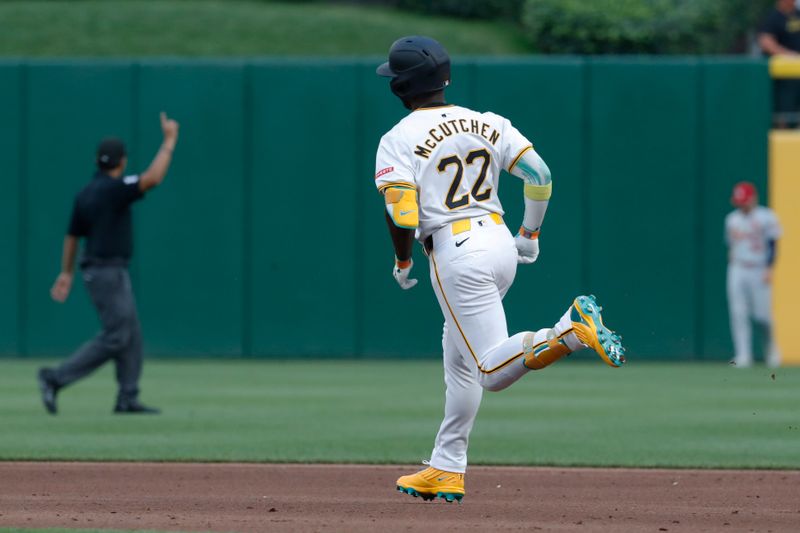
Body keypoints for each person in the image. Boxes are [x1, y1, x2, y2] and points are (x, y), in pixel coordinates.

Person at [374, 36, 626, 503]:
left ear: (401, 87)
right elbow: (540, 175)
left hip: (456, 252)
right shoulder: (487, 121)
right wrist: (529, 235)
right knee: (461, 363)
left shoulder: (398, 139)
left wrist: (403, 258)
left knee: (488, 369)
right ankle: (446, 468)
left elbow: (404, 213)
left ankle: (570, 329)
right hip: (498, 240)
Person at [37, 112, 179, 415]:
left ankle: (127, 396)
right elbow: (152, 178)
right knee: (117, 335)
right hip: (106, 271)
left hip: (98, 270)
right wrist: (168, 142)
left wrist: (66, 272)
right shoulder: (116, 188)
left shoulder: (86, 193)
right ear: (122, 161)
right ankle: (55, 378)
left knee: (131, 333)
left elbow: (72, 237)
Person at [725, 182, 782, 368]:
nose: (741, 205)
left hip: (759, 268)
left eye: (744, 200)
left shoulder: (766, 217)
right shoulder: (732, 219)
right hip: (738, 268)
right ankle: (743, 355)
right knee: (738, 312)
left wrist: (769, 268)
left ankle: (771, 350)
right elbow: (731, 245)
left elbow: (773, 245)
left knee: (762, 315)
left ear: (753, 198)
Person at [758, 0, 800, 129]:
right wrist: (789, 56)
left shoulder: (797, 14)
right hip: (784, 77)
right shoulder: (773, 17)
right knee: (784, 113)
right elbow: (765, 42)